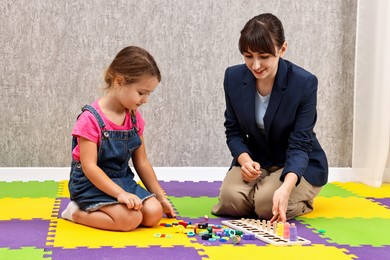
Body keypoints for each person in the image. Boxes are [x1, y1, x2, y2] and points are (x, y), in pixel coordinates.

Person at [212, 13, 328, 223]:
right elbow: (233, 130)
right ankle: (262, 193)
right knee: (229, 201)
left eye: (264, 57)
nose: (256, 65)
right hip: (259, 161)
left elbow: (301, 144)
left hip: (297, 163)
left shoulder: (304, 83)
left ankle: (300, 200)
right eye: (248, 56)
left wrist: (286, 188)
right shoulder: (233, 78)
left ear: (282, 49)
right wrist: (245, 162)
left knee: (267, 207)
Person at [61, 46, 176, 231]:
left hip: (121, 180)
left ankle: (118, 206)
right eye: (141, 92)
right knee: (129, 220)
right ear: (119, 81)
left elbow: (142, 162)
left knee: (153, 213)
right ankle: (75, 213)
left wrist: (160, 197)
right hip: (90, 184)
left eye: (149, 94)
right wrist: (120, 194)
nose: (145, 99)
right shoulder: (90, 119)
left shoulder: (133, 117)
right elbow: (89, 167)